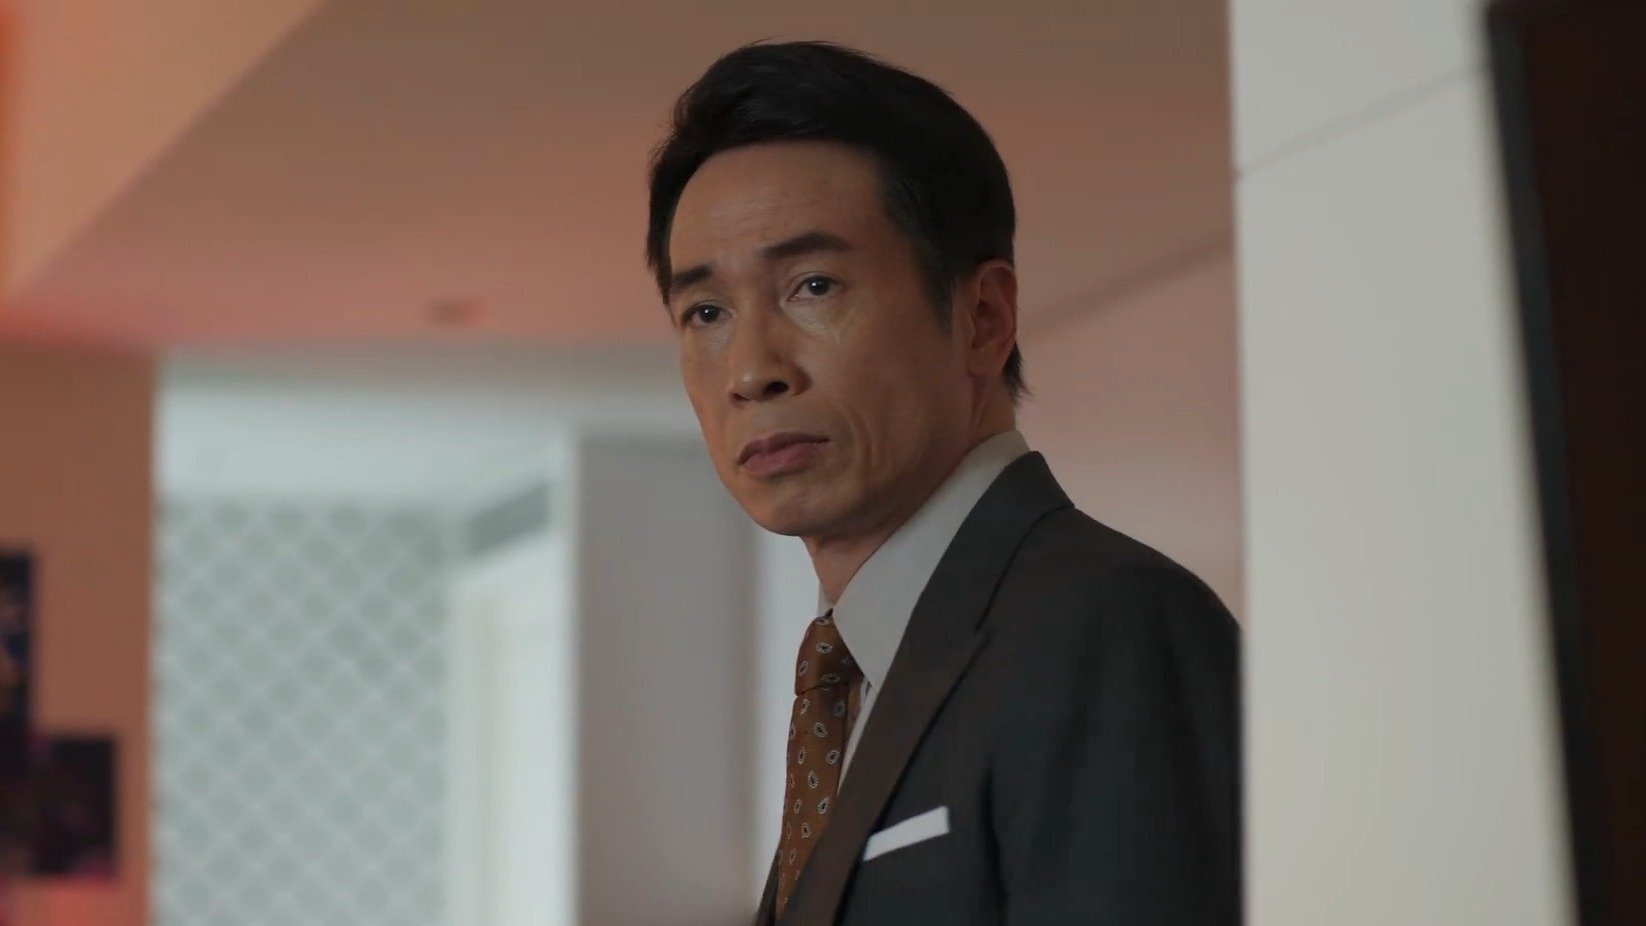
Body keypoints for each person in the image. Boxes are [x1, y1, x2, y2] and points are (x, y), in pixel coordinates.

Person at [646, 40, 1239, 925]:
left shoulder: (1108, 622)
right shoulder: (855, 675)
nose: (751, 371)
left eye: (813, 286)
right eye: (706, 312)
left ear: (983, 319)